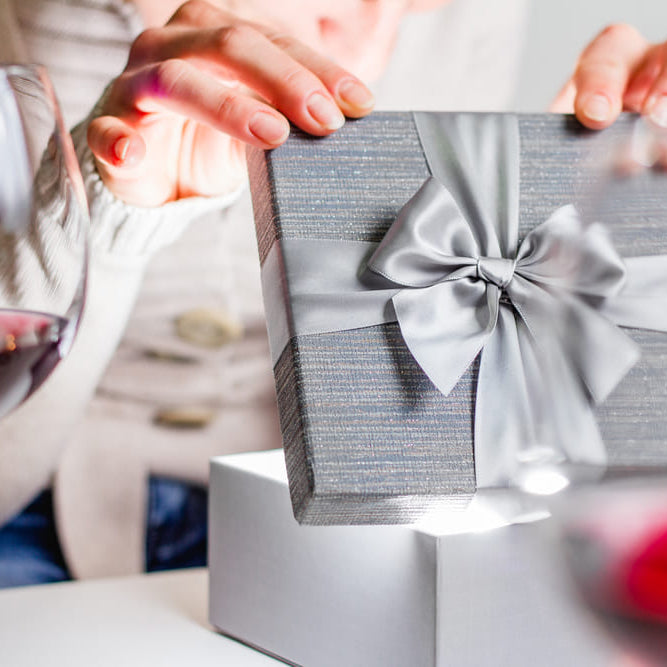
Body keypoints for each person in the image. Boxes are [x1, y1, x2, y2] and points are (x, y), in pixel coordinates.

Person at [0, 0, 666, 587]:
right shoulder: (41, 29)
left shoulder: (472, 14)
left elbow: (441, 352)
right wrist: (107, 228)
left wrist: (608, 214)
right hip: (41, 504)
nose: (374, 29)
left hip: (343, 538)